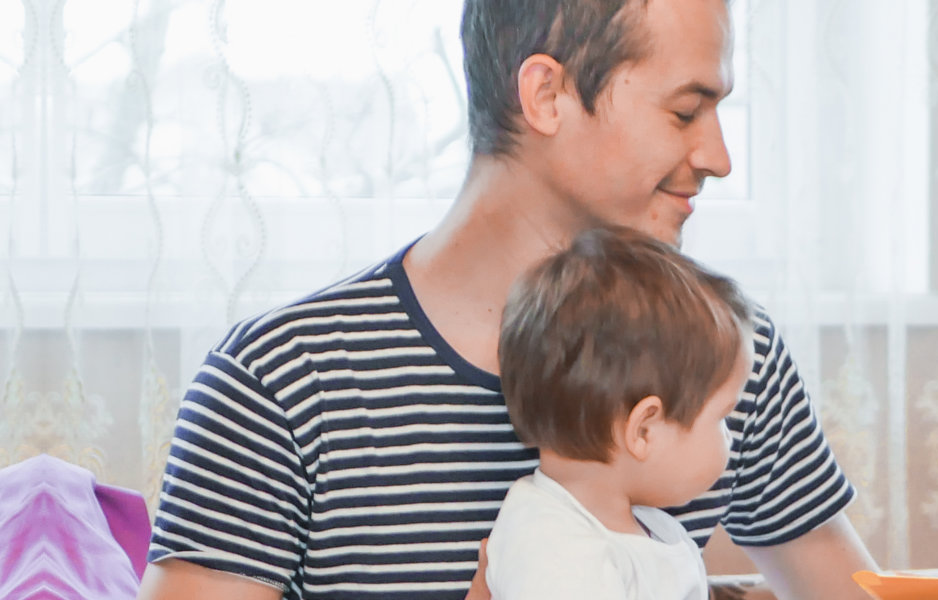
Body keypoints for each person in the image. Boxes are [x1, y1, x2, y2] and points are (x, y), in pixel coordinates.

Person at [137, 0, 877, 598]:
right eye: (686, 112)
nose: (718, 157)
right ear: (547, 94)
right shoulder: (280, 383)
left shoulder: (722, 353)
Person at [487, 226, 751, 600]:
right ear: (644, 430)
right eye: (722, 417)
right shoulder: (554, 548)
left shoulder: (648, 528)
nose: (731, 437)